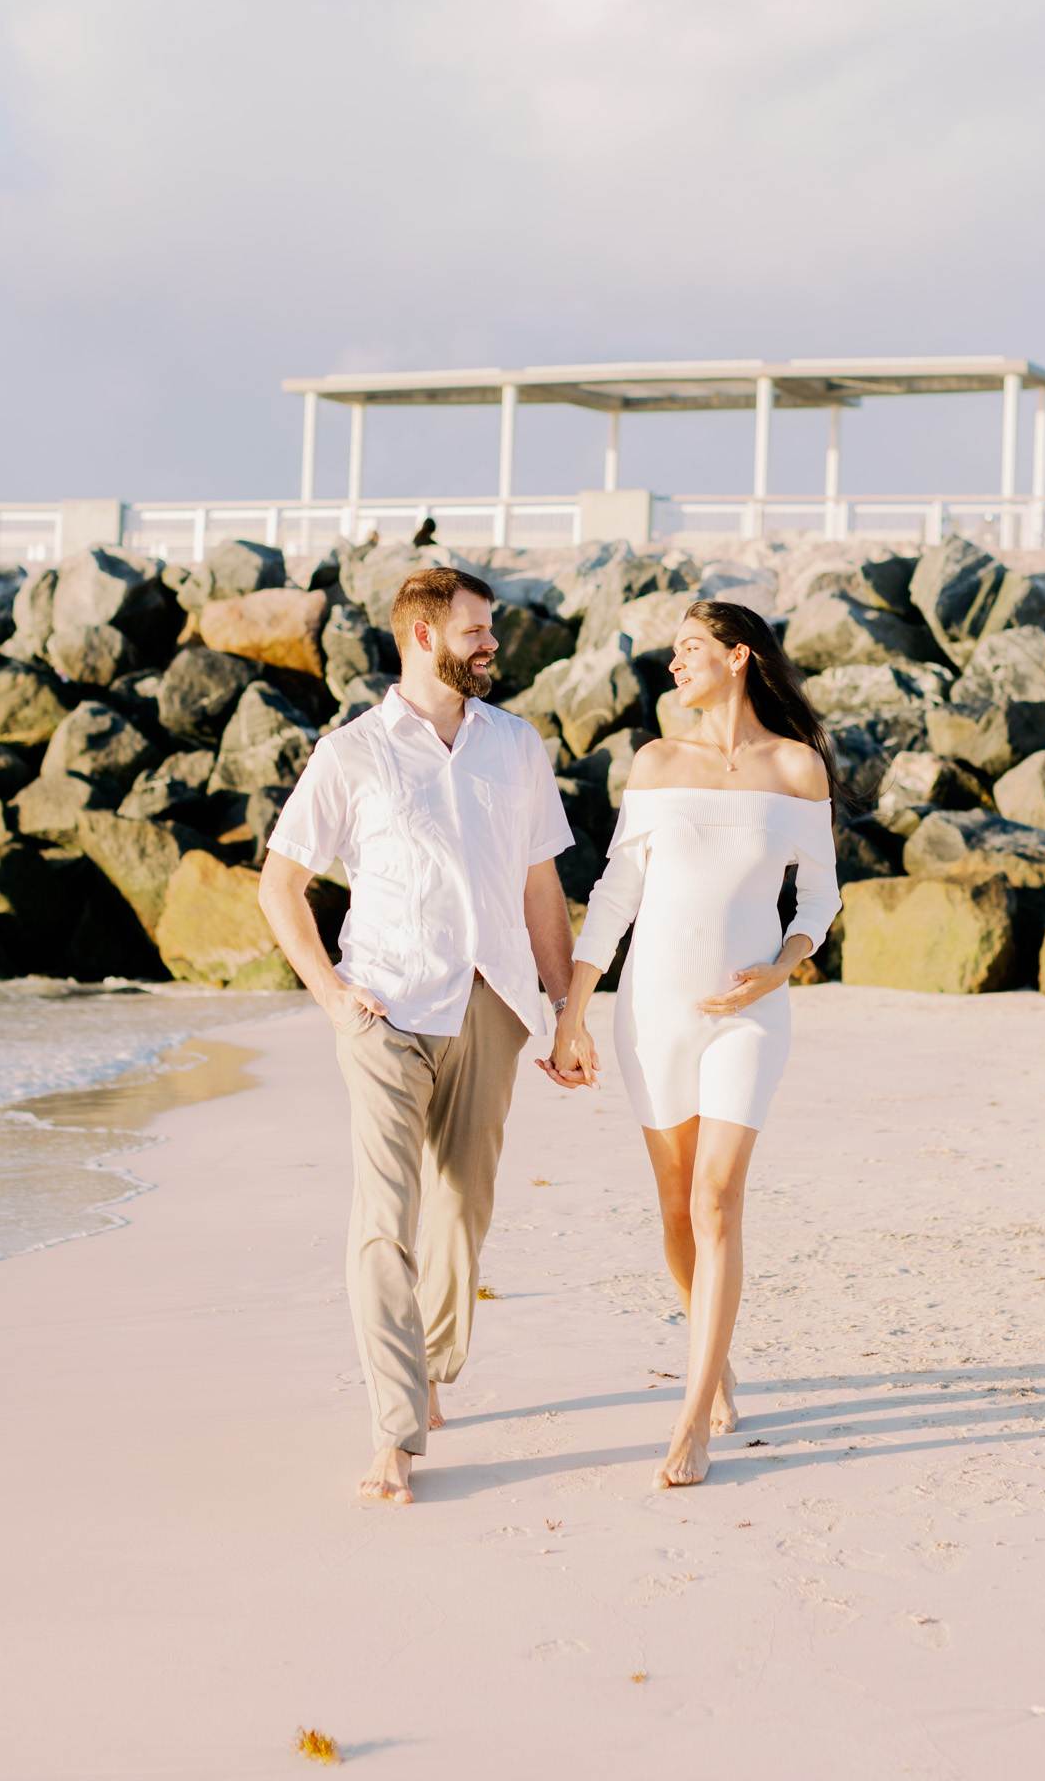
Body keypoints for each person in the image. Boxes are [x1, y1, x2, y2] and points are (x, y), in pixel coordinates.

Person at [258, 566, 578, 1506]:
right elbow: (281, 884)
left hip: (489, 1003)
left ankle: (434, 1362)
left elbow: (540, 890)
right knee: (382, 1219)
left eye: (490, 631)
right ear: (423, 637)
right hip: (385, 1007)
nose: (492, 646)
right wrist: (327, 991)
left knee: (463, 1205)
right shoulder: (352, 754)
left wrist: (567, 1013)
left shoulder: (515, 746)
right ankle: (394, 1431)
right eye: (477, 632)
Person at [548, 600, 843, 1490]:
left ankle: (690, 1420)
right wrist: (574, 1010)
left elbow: (819, 900)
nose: (673, 665)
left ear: (738, 656)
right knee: (677, 1209)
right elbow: (615, 892)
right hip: (653, 1013)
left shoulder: (796, 768)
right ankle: (716, 1361)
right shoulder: (655, 762)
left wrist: (779, 969)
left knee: (717, 1201)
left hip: (747, 1012)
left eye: (689, 649)